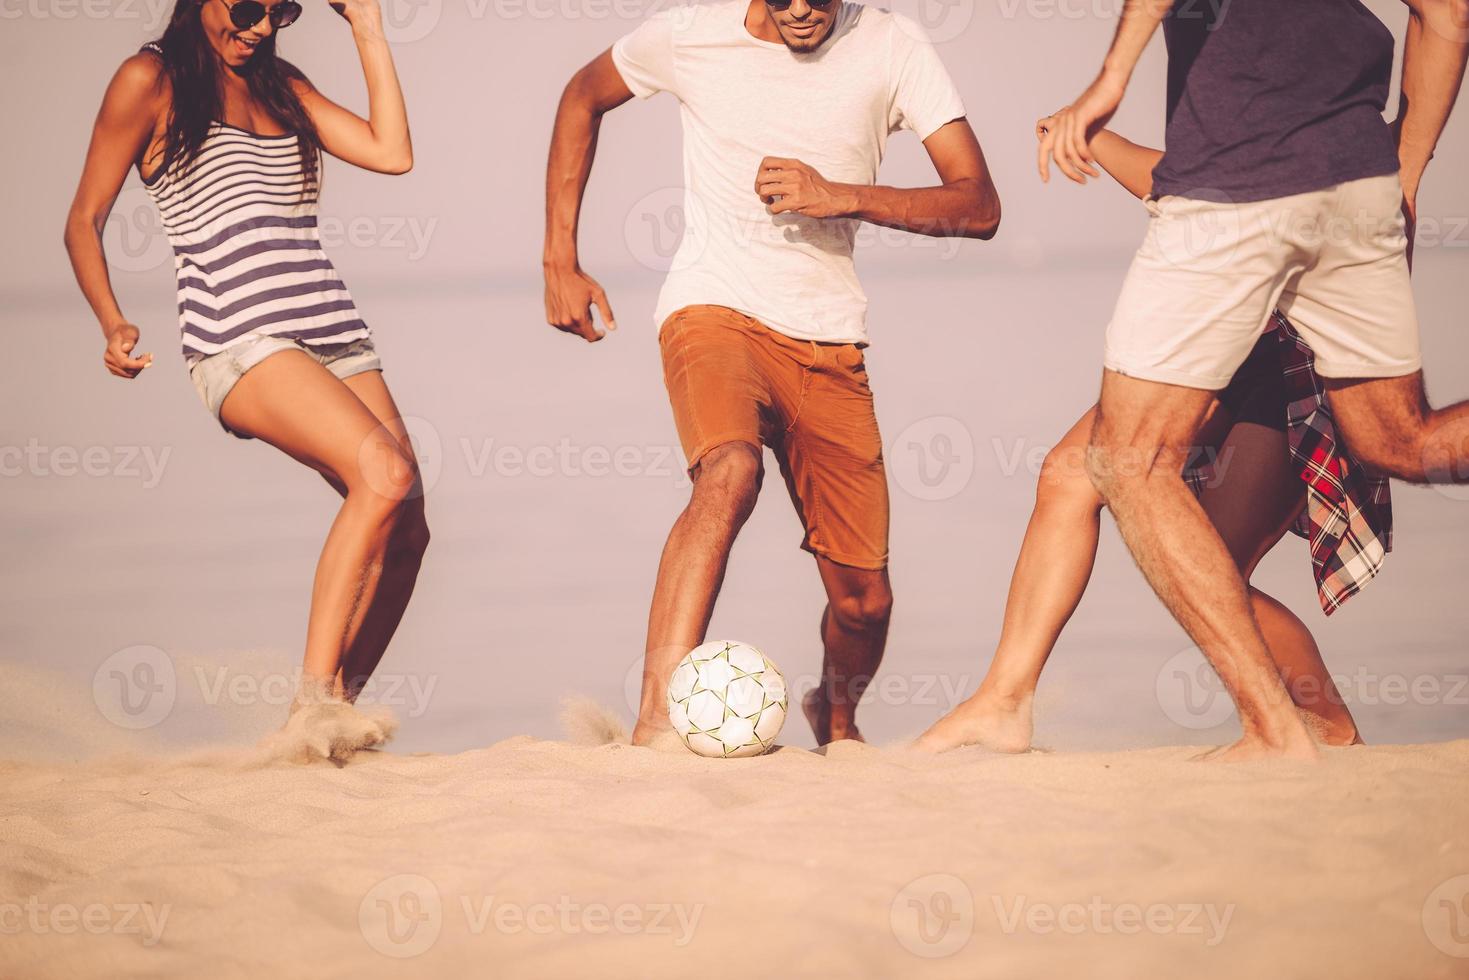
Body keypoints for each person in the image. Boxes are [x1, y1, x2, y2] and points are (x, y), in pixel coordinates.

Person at [543, 0, 1001, 746]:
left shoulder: (891, 46)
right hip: (711, 305)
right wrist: (558, 258)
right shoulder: (688, 34)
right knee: (727, 472)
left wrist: (842, 195)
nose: (797, 9)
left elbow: (978, 204)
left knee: (864, 604)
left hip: (827, 337)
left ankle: (836, 717)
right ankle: (655, 724)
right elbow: (581, 95)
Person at [1036, 0, 1469, 760]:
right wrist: (1404, 170)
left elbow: (1185, 185)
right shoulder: (1333, 100)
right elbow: (1447, 13)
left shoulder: (1239, 118)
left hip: (1267, 326)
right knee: (1400, 439)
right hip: (1342, 211)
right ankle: (1006, 692)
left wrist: (1105, 87)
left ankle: (1296, 732)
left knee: (1130, 467)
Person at [918, 124, 1393, 754]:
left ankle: (1326, 731)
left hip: (1291, 359)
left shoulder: (1332, 130)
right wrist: (1089, 134)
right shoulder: (1246, 115)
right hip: (1219, 344)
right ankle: (1005, 699)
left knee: (1215, 563)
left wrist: (1094, 133)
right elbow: (1185, 185)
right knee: (1068, 475)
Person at [63, 0, 427, 740]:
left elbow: (392, 152)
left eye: (283, 11)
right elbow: (82, 220)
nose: (261, 26)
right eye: (250, 6)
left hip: (333, 327)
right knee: (381, 475)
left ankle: (335, 725)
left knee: (410, 526)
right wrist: (113, 320)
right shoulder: (150, 80)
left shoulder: (281, 84)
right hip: (240, 335)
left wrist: (366, 29)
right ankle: (312, 709)